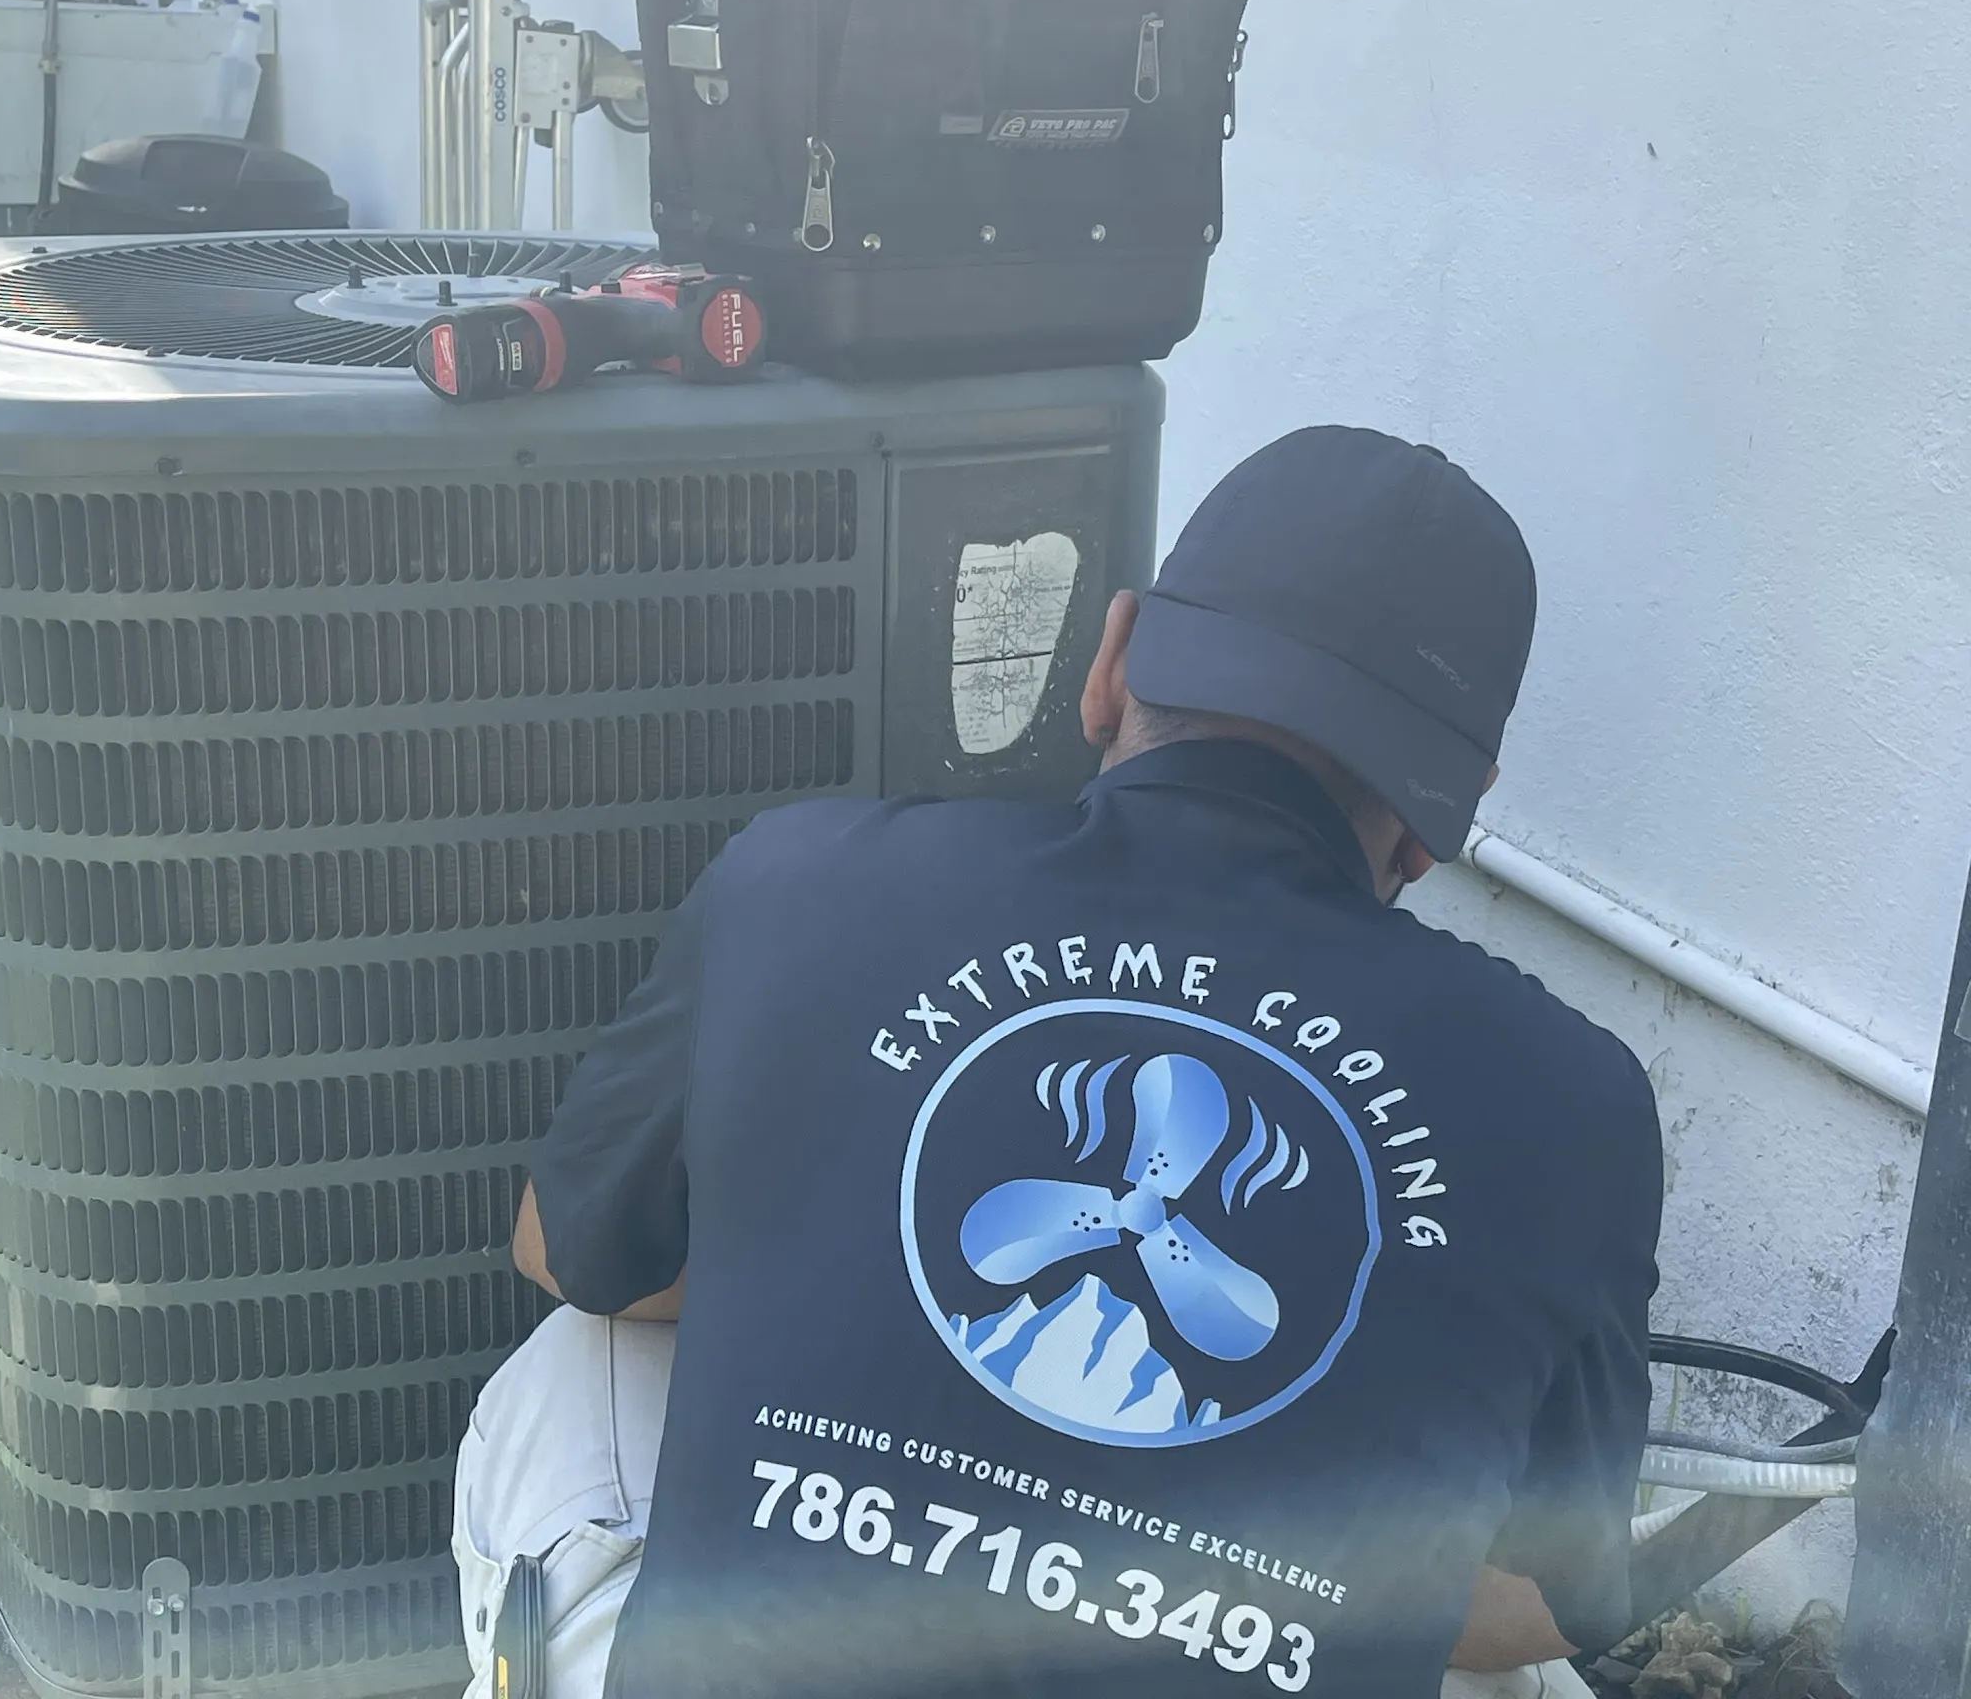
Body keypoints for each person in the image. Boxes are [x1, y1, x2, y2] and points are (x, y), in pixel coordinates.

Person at [465, 425, 1663, 1699]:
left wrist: (833, 1272)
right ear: (1436, 827)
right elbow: (1552, 1598)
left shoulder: (803, 882)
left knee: (574, 1361)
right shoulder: (1574, 1108)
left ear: (1107, 664)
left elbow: (571, 1251)